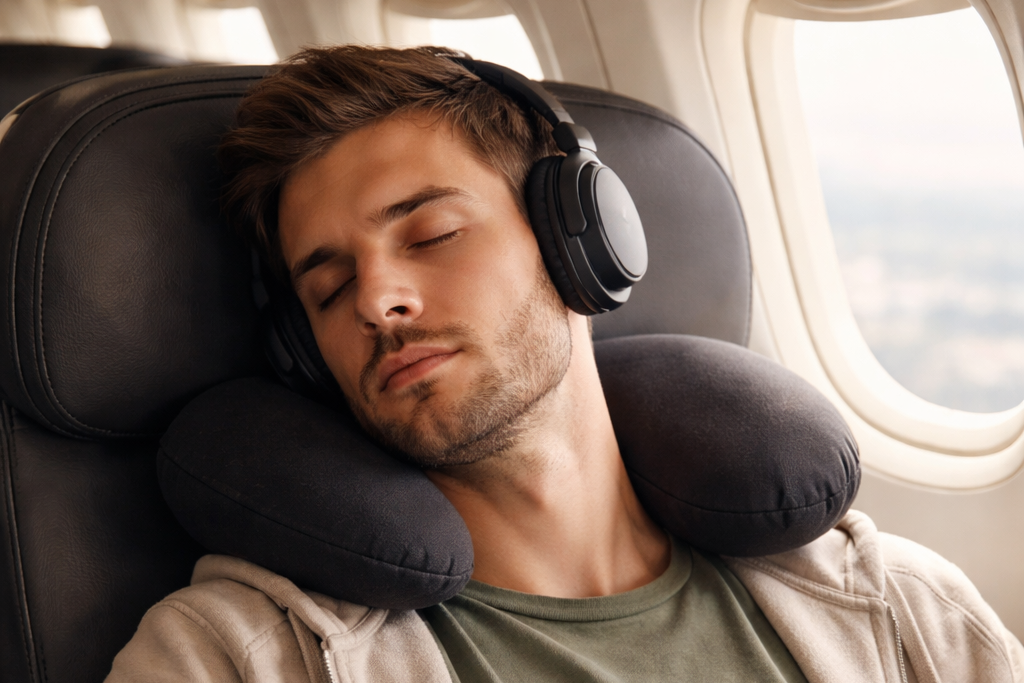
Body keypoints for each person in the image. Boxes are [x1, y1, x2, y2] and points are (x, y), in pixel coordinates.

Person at [106, 45, 1024, 683]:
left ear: (576, 240)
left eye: (431, 233)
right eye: (329, 285)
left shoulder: (904, 610)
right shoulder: (234, 656)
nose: (377, 300)